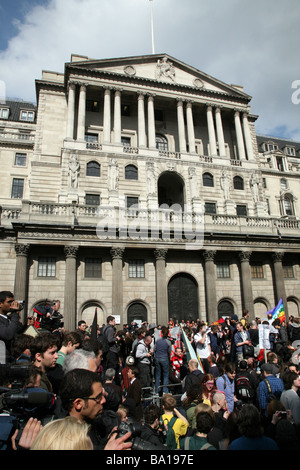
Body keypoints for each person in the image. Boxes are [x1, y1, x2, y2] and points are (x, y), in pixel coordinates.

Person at [59, 368, 132, 450]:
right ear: (78, 404)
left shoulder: (93, 425)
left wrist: (109, 440)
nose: (103, 401)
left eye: (103, 395)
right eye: (98, 398)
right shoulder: (64, 440)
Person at [0, 291, 23, 361]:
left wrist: (26, 326)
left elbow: (15, 334)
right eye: (9, 302)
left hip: (9, 358)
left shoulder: (8, 319)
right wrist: (15, 314)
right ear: (0, 304)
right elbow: (8, 335)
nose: (12, 304)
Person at [154, 326, 172, 394]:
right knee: (165, 374)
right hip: (164, 358)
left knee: (157, 375)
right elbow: (169, 352)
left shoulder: (157, 341)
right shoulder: (168, 342)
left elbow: (154, 349)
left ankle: (157, 390)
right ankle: (165, 390)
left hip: (157, 358)